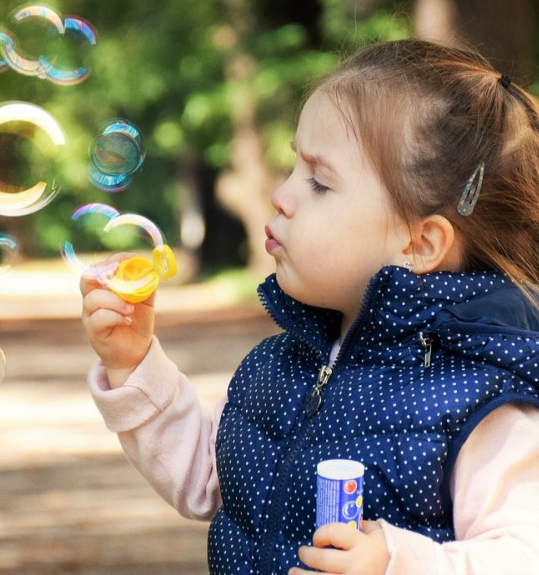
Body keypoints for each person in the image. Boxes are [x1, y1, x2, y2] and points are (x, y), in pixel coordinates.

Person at [79, 38, 539, 575]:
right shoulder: (282, 365)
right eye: (294, 167)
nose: (282, 194)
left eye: (320, 182)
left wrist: (396, 562)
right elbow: (212, 480)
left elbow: (521, 554)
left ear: (419, 245)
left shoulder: (481, 398)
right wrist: (133, 364)